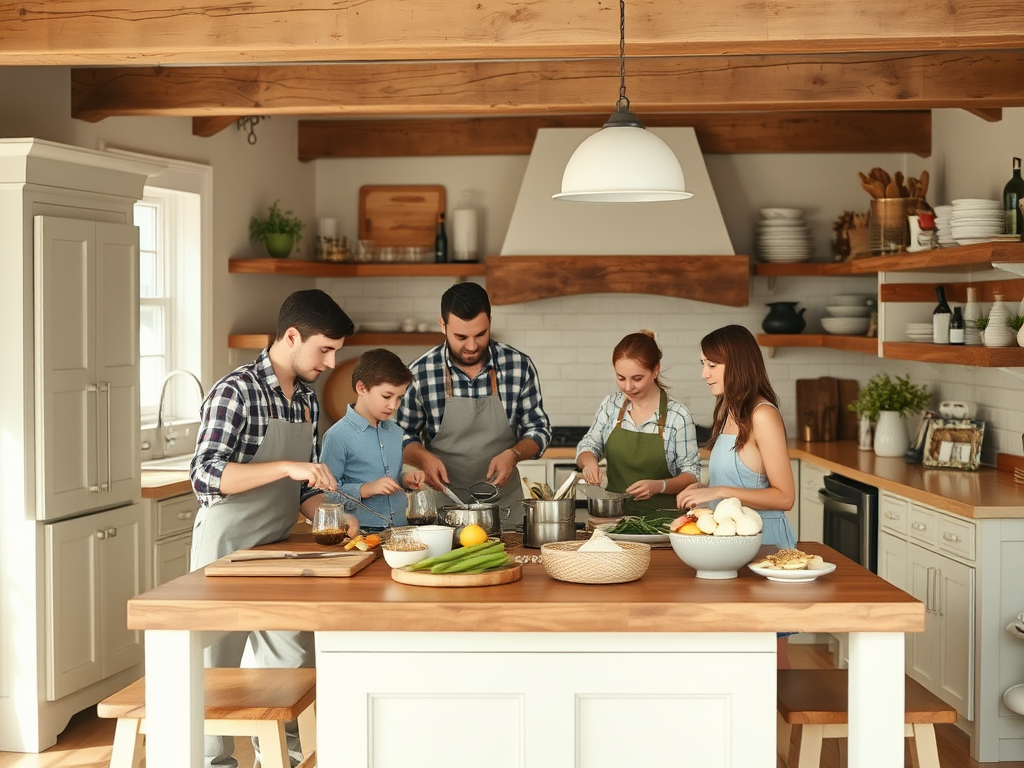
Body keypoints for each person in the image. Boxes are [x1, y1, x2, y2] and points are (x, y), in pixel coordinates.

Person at [189, 288, 358, 768]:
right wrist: (286, 466)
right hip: (224, 550)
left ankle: (283, 758)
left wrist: (332, 514)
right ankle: (212, 762)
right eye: (324, 349)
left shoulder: (304, 400)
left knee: (291, 661)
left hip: (279, 549)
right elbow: (204, 476)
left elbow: (303, 490)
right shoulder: (235, 391)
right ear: (291, 336)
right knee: (213, 667)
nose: (329, 363)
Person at [395, 282, 552, 528]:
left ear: (490, 321)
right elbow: (401, 435)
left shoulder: (518, 366)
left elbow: (538, 429)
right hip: (441, 509)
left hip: (504, 509)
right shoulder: (419, 373)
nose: (471, 346)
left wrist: (514, 454)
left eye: (480, 334)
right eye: (461, 336)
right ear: (442, 325)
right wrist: (423, 457)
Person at [675, 324, 797, 548]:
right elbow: (736, 482)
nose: (704, 374)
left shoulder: (763, 416)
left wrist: (719, 491)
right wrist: (705, 491)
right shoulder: (729, 412)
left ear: (737, 364)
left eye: (712, 365)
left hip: (764, 545)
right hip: (731, 545)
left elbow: (785, 497)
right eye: (703, 364)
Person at [576, 331, 700, 517]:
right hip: (615, 520)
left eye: (637, 379)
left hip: (663, 522)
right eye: (621, 378)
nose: (627, 387)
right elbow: (588, 445)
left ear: (655, 370)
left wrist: (660, 486)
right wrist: (589, 463)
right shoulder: (611, 406)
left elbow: (692, 474)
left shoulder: (678, 416)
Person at [320, 348, 427, 530]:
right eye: (386, 396)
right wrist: (366, 489)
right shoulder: (337, 436)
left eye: (399, 398)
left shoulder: (395, 432)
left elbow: (388, 478)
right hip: (361, 531)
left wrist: (404, 479)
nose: (393, 406)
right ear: (361, 388)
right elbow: (326, 494)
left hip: (400, 528)